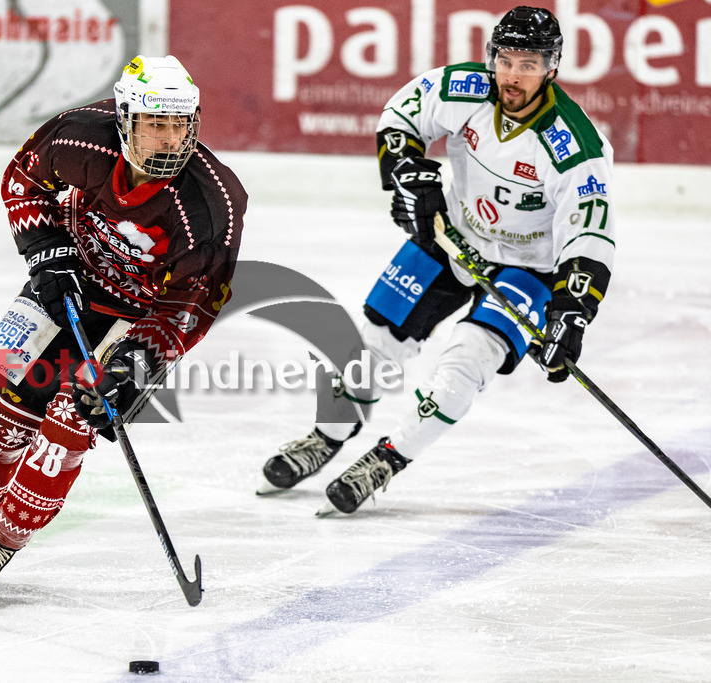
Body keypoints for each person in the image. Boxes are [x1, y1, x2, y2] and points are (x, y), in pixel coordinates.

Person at [0, 55, 246, 598]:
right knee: (9, 408)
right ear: (125, 120)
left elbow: (193, 306)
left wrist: (140, 361)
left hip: (138, 318)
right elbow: (22, 179)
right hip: (69, 280)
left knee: (69, 423)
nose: (171, 140)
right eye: (157, 124)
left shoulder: (211, 205)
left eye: (182, 125)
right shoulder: (80, 137)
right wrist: (47, 253)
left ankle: (2, 542)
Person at [259, 6, 615, 514]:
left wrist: (571, 313)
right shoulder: (466, 88)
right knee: (375, 342)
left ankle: (388, 458)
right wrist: (410, 173)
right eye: (506, 60)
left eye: (529, 64)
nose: (513, 76)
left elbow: (591, 234)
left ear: (552, 68)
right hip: (450, 236)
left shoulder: (575, 144)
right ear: (492, 56)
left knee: (467, 361)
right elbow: (401, 115)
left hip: (527, 267)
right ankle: (328, 435)